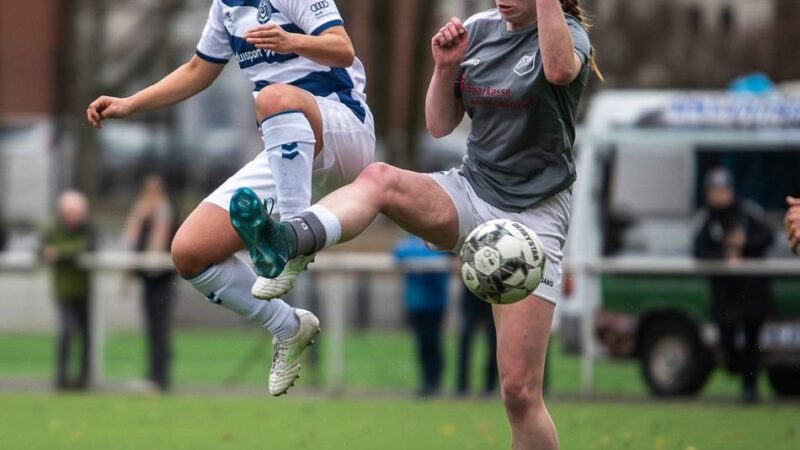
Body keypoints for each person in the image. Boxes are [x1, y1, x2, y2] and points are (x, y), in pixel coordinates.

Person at [234, 1, 599, 447]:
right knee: (380, 179)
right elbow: (439, 125)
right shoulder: (479, 29)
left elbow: (559, 71)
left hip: (534, 216)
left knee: (519, 393)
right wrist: (445, 67)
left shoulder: (568, 35)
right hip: (472, 190)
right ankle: (289, 238)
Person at [86, 0, 375, 396]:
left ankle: (292, 241)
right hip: (289, 142)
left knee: (271, 97)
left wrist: (290, 40)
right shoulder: (224, 8)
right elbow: (196, 71)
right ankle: (288, 327)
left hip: (343, 129)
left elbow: (342, 48)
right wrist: (128, 103)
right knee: (189, 252)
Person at [693, 167, 774, 403]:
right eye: (715, 190)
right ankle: (736, 368)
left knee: (752, 341)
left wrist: (745, 244)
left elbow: (768, 237)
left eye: (724, 189)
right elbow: (699, 250)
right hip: (725, 296)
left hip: (752, 292)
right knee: (726, 338)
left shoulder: (748, 212)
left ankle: (750, 389)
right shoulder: (706, 220)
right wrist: (725, 253)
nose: (720, 195)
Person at [123, 175, 177, 391]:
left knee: (160, 328)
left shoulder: (165, 213)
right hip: (147, 277)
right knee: (152, 328)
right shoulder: (141, 213)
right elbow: (132, 241)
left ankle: (161, 377)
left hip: (162, 278)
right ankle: (153, 375)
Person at [42, 191, 97, 390]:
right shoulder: (53, 230)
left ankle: (84, 379)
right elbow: (42, 250)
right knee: (66, 332)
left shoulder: (88, 230)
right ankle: (61, 378)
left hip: (86, 292)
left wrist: (60, 253)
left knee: (86, 336)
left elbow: (85, 247)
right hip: (64, 291)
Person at [393, 235, 450, 398]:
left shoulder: (438, 240)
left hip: (435, 304)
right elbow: (399, 254)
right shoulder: (410, 242)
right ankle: (426, 382)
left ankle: (435, 381)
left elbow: (444, 259)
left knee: (434, 342)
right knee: (422, 343)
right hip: (416, 303)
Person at [456, 288, 498, 397]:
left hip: (493, 289)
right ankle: (462, 384)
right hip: (471, 288)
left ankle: (490, 385)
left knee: (494, 337)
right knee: (466, 336)